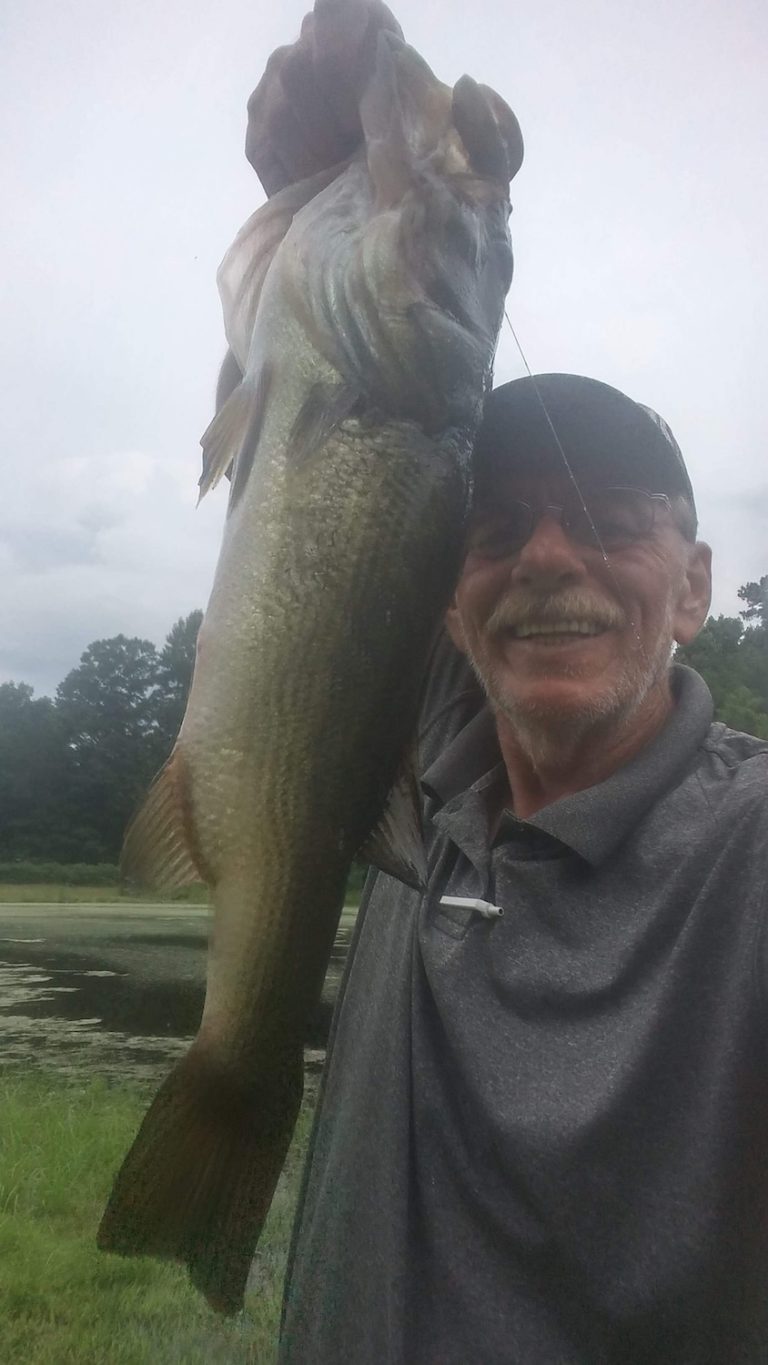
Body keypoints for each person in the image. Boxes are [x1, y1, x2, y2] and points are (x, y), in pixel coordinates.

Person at [242, 7, 768, 1360]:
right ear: (448, 591)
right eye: (498, 524)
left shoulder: (747, 849)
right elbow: (353, 457)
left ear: (698, 587)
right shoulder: (412, 776)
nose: (546, 555)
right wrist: (353, 204)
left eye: (610, 520)